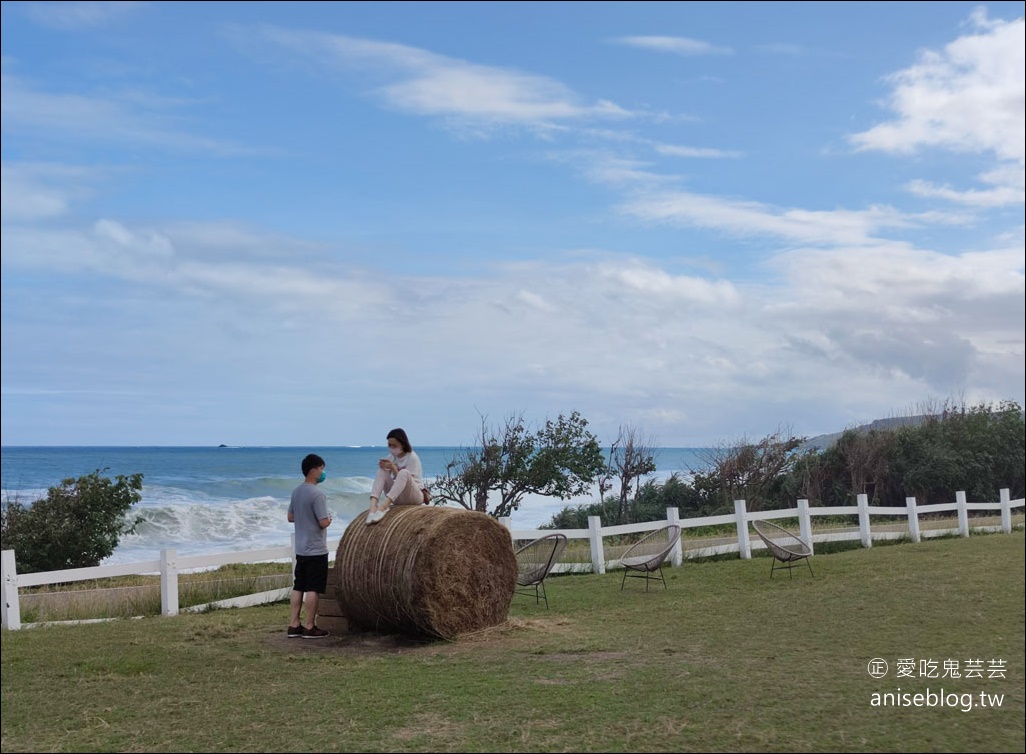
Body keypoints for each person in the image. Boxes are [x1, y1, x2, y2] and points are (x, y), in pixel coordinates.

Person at [286, 453, 333, 638]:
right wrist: (328, 520)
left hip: (301, 548)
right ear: (313, 470)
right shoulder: (318, 494)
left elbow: (290, 517)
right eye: (321, 469)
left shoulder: (296, 491)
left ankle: (294, 624)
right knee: (313, 588)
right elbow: (322, 522)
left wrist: (305, 518)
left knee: (299, 586)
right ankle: (309, 626)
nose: (323, 473)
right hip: (316, 548)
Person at [366, 428, 424, 524]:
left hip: (414, 496)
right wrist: (385, 467)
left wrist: (393, 468)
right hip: (397, 497)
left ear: (403, 444)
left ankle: (384, 507)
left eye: (394, 445)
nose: (392, 448)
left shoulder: (412, 457)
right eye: (389, 445)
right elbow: (385, 479)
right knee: (381, 471)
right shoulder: (391, 457)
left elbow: (406, 482)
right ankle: (373, 507)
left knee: (404, 472)